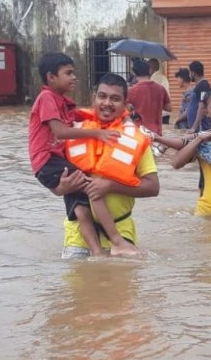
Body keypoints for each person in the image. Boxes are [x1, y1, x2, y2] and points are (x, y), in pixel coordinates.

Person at [28, 52, 140, 257]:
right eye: (68, 73)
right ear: (51, 77)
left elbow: (84, 114)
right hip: (48, 160)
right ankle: (116, 241)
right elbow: (60, 132)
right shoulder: (46, 98)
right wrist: (98, 133)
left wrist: (124, 117)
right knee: (93, 189)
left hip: (48, 163)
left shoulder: (62, 101)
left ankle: (97, 252)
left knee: (80, 204)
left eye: (115, 100)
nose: (74, 77)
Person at [60, 73, 161, 258]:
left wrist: (111, 186)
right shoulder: (73, 133)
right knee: (76, 287)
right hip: (77, 233)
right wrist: (61, 187)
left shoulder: (135, 139)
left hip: (121, 231)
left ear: (125, 104)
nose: (107, 103)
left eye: (115, 99)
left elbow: (153, 187)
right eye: (102, 96)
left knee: (122, 287)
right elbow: (53, 181)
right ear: (94, 98)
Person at [127, 59, 171, 136]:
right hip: (157, 133)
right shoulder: (160, 88)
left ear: (134, 73)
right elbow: (169, 108)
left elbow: (124, 109)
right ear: (149, 71)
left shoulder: (132, 91)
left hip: (140, 133)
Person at [186, 60, 211, 133]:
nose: (189, 75)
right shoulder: (199, 86)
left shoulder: (203, 85)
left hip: (200, 129)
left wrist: (194, 127)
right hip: (196, 129)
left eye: (189, 73)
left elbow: (202, 107)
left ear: (193, 73)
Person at [148, 58, 171, 125]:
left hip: (158, 113)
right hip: (166, 112)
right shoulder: (163, 77)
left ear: (150, 68)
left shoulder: (153, 79)